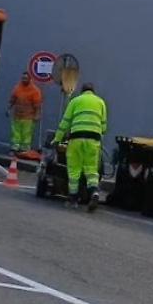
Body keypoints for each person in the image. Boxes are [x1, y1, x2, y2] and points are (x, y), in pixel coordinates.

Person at [53, 82, 108, 210]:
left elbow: (65, 122)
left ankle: (73, 199)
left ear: (82, 91)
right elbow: (104, 127)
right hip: (93, 140)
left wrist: (57, 139)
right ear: (93, 91)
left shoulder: (75, 101)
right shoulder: (101, 102)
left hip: (76, 138)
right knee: (91, 170)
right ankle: (94, 192)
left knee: (74, 169)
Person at [7, 71, 43, 157]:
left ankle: (24, 150)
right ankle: (15, 149)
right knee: (15, 133)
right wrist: (8, 108)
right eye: (23, 78)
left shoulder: (34, 91)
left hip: (28, 117)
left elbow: (37, 105)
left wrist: (37, 115)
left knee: (26, 134)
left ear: (30, 79)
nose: (24, 79)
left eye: (26, 78)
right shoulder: (17, 88)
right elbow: (12, 99)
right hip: (17, 115)